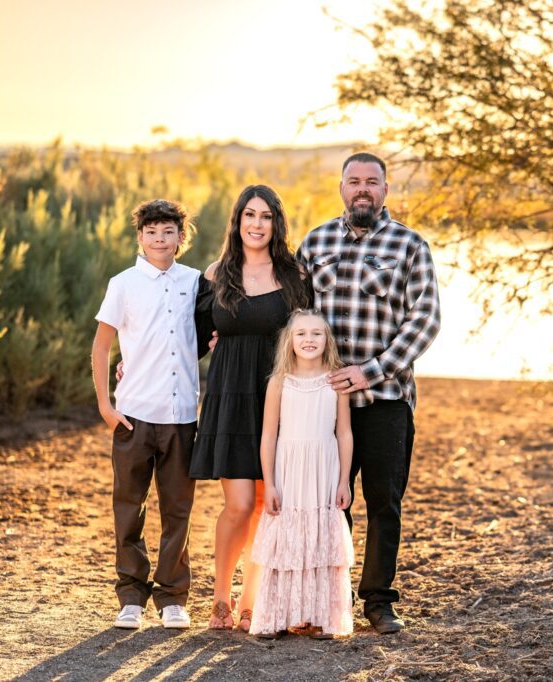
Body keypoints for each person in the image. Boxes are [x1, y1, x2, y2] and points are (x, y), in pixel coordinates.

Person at [296, 152, 441, 634]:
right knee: (326, 502)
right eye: (354, 181)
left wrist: (372, 371)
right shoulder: (314, 243)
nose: (363, 189)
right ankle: (328, 599)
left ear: (385, 190)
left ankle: (378, 602)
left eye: (372, 182)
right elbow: (290, 316)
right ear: (341, 186)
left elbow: (425, 320)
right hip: (323, 402)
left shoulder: (410, 246)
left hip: (385, 400)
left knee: (384, 502)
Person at [189, 184, 310, 630]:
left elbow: (308, 336)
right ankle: (220, 594)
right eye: (249, 216)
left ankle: (250, 599)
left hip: (278, 398)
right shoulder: (216, 273)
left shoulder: (295, 276)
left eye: (265, 216)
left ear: (276, 224)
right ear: (237, 222)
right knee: (238, 503)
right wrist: (132, 366)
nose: (257, 224)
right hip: (230, 397)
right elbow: (191, 340)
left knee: (265, 502)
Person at [91, 199, 200, 630]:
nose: (160, 238)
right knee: (128, 508)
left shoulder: (196, 282)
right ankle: (131, 597)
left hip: (181, 416)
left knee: (178, 509)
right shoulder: (123, 284)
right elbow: (102, 347)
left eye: (168, 231)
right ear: (140, 237)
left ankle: (172, 596)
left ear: (180, 237)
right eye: (152, 231)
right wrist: (105, 405)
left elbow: (207, 336)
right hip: (133, 415)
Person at [248, 310, 354, 639]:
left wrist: (343, 480)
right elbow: (268, 436)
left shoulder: (336, 381)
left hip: (324, 468)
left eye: (317, 334)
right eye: (301, 334)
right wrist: (271, 482)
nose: (309, 340)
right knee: (287, 538)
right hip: (289, 468)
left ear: (328, 341)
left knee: (321, 537)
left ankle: (322, 618)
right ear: (289, 342)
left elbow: (344, 433)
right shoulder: (279, 382)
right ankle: (278, 617)